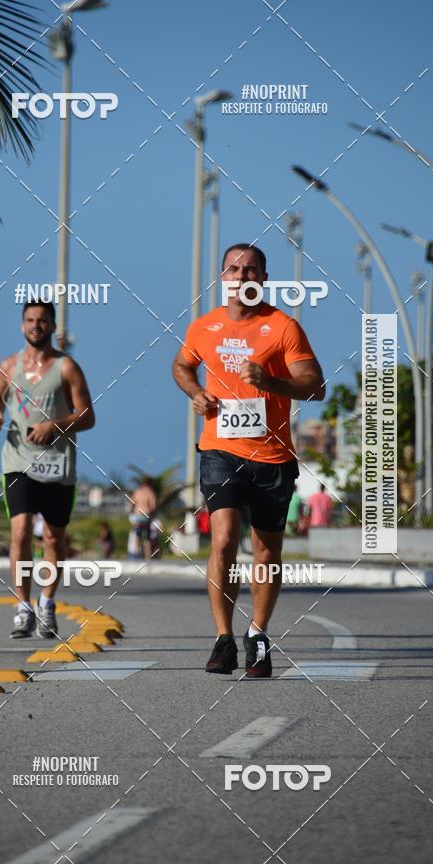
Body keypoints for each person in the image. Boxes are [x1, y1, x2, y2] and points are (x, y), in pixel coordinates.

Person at [172, 243, 325, 678]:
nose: (242, 276)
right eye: (234, 269)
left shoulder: (282, 327)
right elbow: (181, 367)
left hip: (273, 456)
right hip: (219, 448)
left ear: (263, 279)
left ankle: (257, 633)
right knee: (222, 539)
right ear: (223, 278)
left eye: (252, 270)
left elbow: (316, 386)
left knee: (266, 550)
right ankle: (223, 639)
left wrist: (272, 381)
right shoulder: (204, 327)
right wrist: (195, 393)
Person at [0, 300, 95, 638]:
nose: (36, 325)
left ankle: (47, 602)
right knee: (19, 532)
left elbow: (88, 416)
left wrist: (56, 425)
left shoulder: (66, 368)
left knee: (53, 536)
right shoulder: (8, 365)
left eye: (42, 320)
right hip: (18, 460)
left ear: (52, 327)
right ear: (22, 326)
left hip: (57, 465)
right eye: (30, 320)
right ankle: (22, 606)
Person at [130, 477, 158, 560]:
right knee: (147, 538)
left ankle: (136, 555)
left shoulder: (138, 491)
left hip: (137, 517)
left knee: (137, 536)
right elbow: (153, 507)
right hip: (146, 517)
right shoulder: (151, 493)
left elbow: (132, 503)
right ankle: (148, 557)